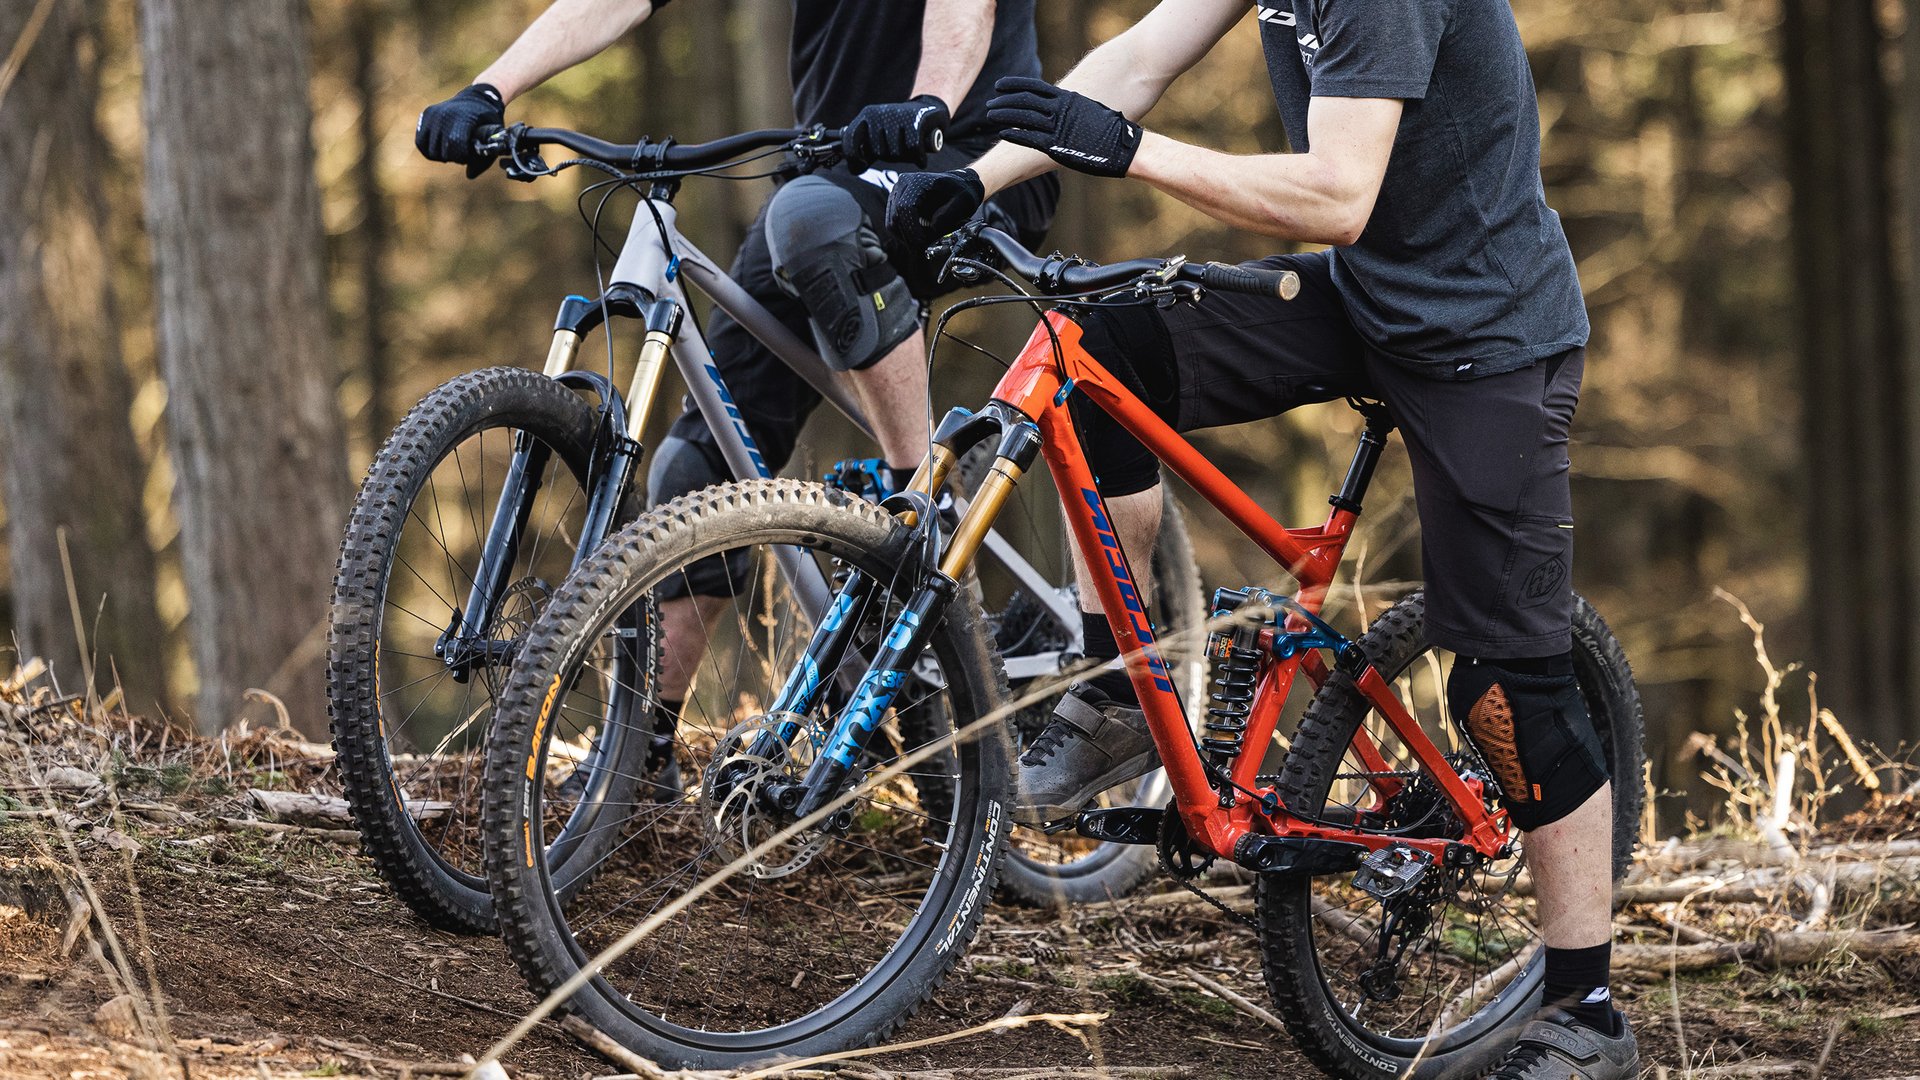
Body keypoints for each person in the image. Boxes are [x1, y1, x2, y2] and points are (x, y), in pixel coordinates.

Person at [887, 1, 1632, 1076]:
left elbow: (1336, 194)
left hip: (1486, 336)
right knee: (1104, 357)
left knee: (1508, 696)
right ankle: (1118, 689)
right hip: (1367, 296)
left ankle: (1587, 1011)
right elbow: (1138, 60)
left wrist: (1134, 156)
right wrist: (980, 175)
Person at [413, 0, 1059, 773]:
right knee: (693, 469)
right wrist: (490, 88)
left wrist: (929, 104)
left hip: (977, 160)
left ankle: (923, 513)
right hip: (828, 174)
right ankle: (638, 760)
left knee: (814, 222)